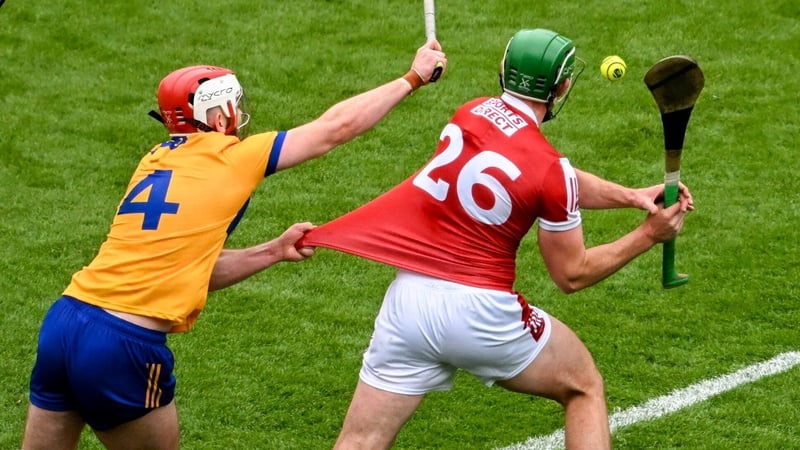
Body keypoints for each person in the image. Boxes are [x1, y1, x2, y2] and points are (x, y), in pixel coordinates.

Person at [21, 40, 447, 450]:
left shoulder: (153, 161)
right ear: (220, 111)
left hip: (65, 323)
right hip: (122, 345)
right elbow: (335, 129)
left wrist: (273, 251)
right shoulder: (234, 156)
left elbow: (187, 266)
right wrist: (412, 77)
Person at [298, 28, 694, 449]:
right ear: (560, 87)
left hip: (408, 304)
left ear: (504, 71)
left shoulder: (471, 113)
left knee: (359, 441)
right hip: (481, 313)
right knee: (582, 385)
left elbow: (543, 176)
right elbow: (572, 274)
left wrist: (629, 196)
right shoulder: (549, 170)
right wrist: (648, 235)